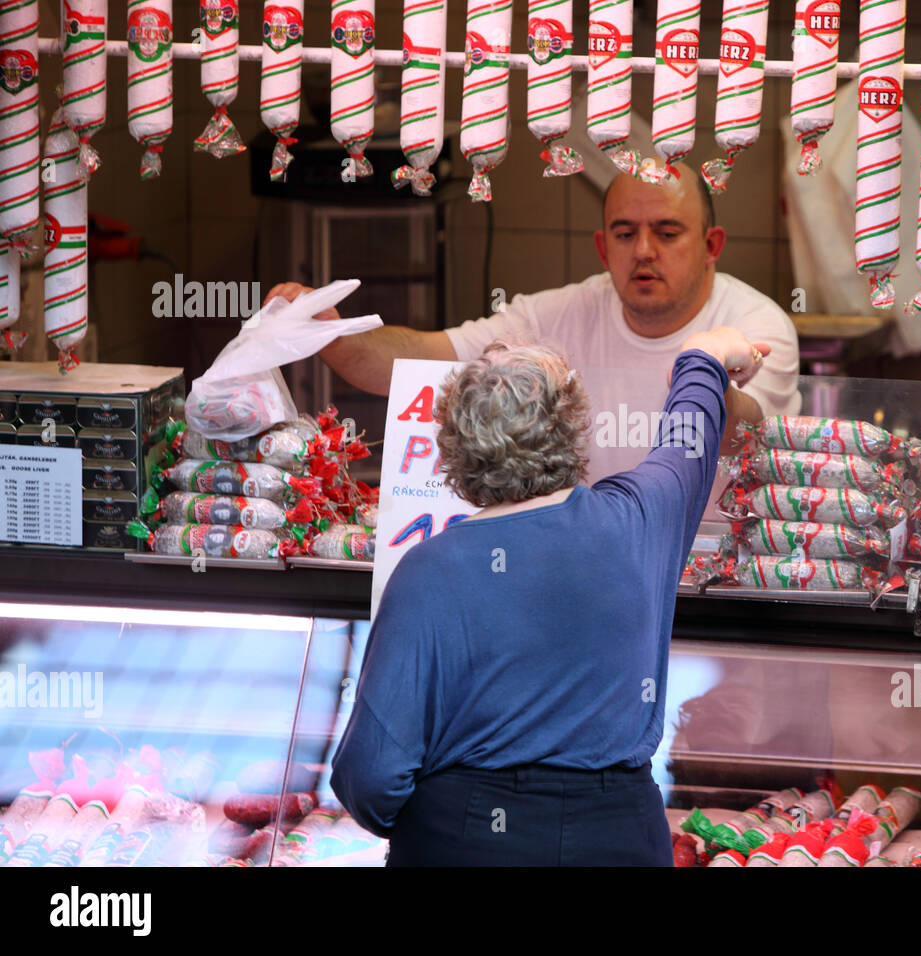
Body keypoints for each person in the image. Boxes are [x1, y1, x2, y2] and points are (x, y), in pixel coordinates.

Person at [329, 326, 767, 866]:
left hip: (463, 838)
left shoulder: (426, 570)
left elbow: (371, 774)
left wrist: (439, 821)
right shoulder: (638, 520)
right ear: (571, 428)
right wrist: (706, 356)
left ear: (454, 448)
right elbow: (688, 436)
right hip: (617, 837)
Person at [265, 162, 799, 471]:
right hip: (593, 567)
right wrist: (333, 332)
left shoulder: (756, 324)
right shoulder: (562, 314)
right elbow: (423, 361)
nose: (642, 250)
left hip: (718, 578)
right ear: (601, 247)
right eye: (624, 233)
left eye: (666, 232)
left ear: (711, 245)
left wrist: (707, 365)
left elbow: (741, 442)